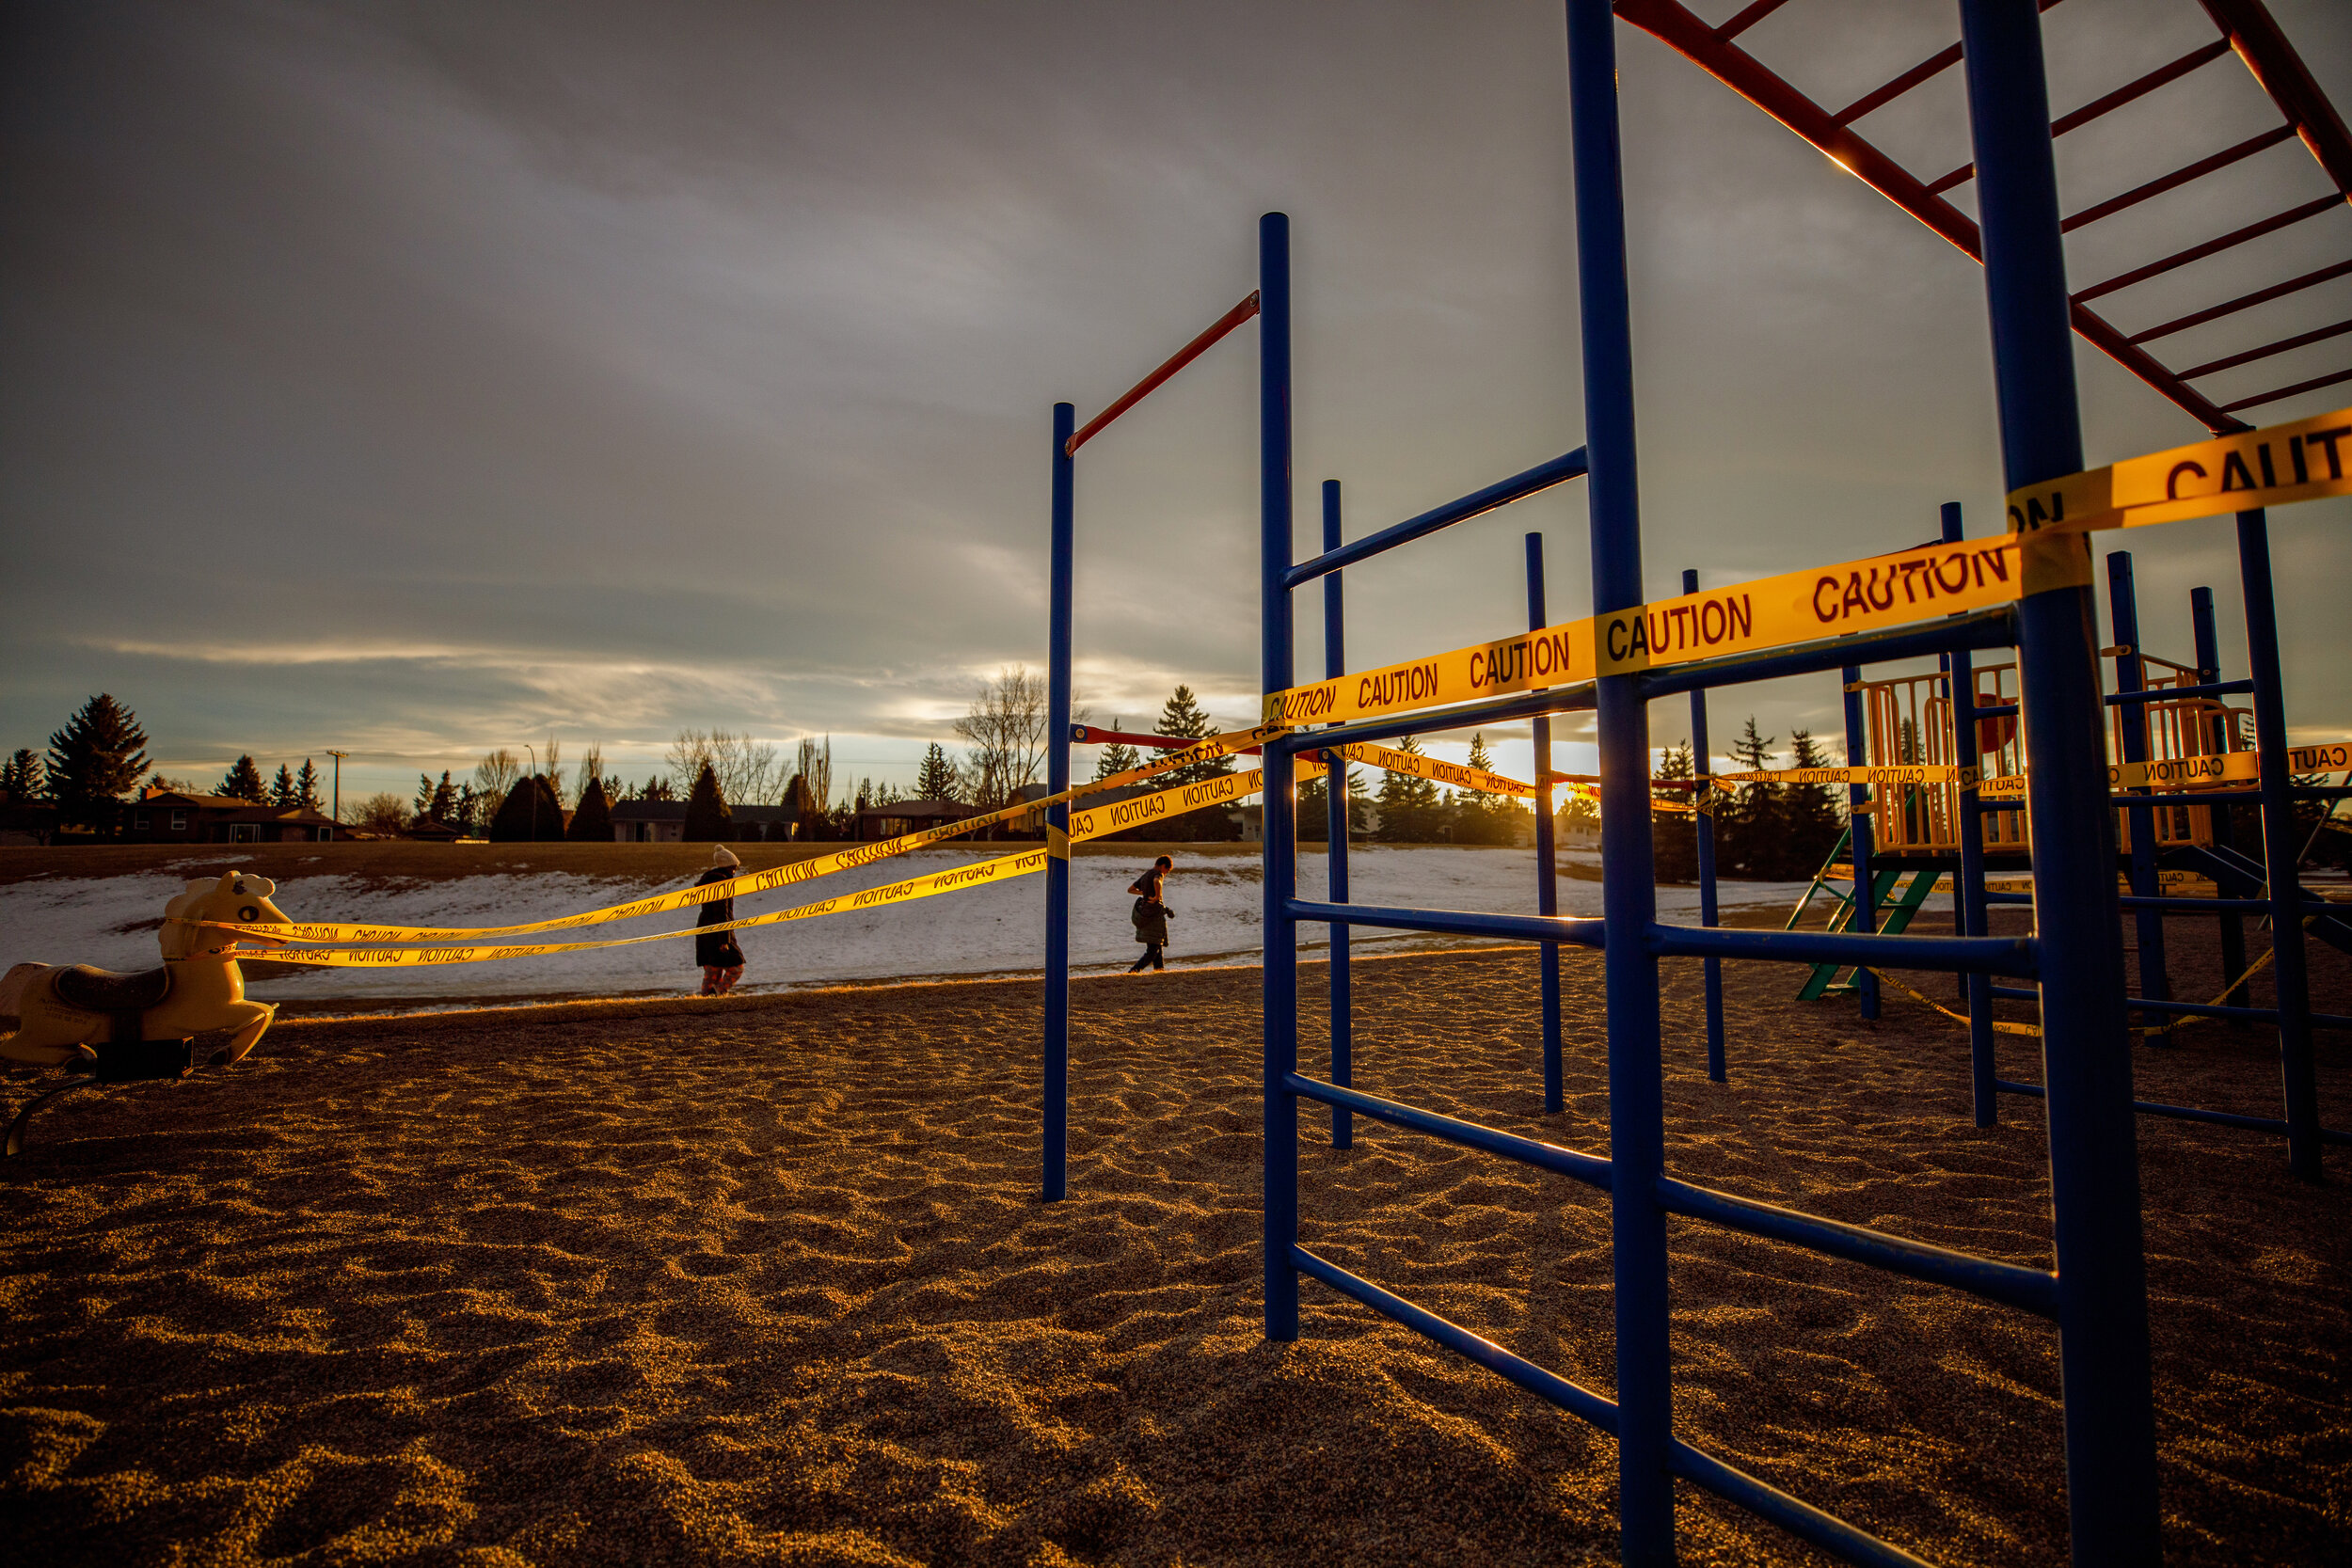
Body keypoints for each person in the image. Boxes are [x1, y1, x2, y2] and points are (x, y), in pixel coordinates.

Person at [694, 844, 747, 995]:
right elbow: (721, 912)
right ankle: (717, 992)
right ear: (727, 866)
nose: (735, 871)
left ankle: (708, 998)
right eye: (733, 867)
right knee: (736, 967)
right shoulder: (721, 883)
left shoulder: (710, 880)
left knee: (713, 969)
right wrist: (724, 939)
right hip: (718, 933)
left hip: (706, 931)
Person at [1127, 854, 1174, 974]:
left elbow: (1130, 889)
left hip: (1145, 912)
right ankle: (1134, 971)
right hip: (1154, 915)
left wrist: (1144, 894)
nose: (1166, 874)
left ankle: (1159, 970)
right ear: (1163, 866)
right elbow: (1157, 881)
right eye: (1167, 870)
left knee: (1157, 944)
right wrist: (1157, 897)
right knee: (1153, 950)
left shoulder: (1146, 874)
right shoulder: (1157, 874)